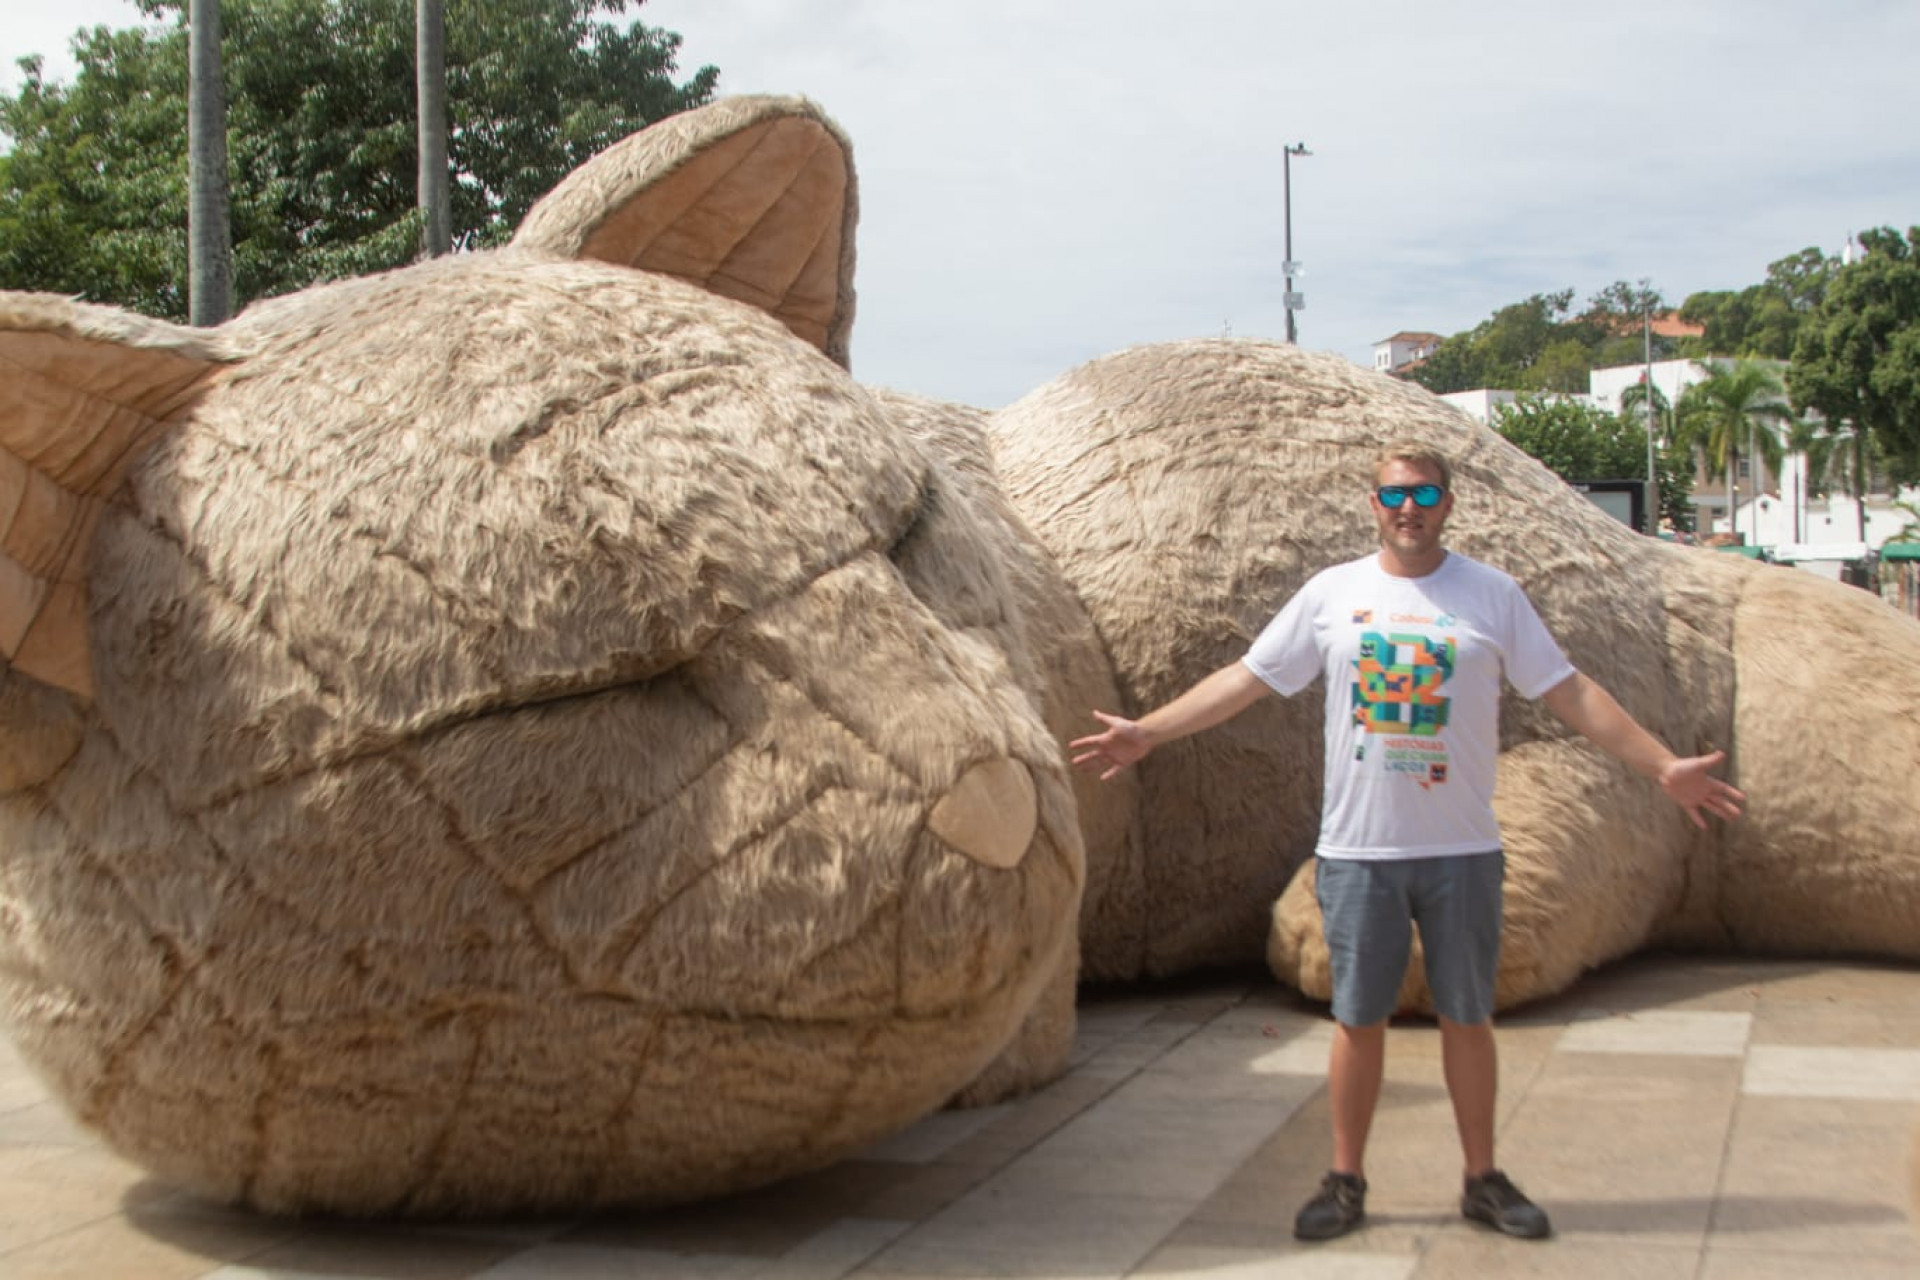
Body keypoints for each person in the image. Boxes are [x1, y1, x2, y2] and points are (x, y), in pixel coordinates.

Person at [1070, 441, 1744, 1243]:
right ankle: (1344, 1179)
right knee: (1359, 1021)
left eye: (1424, 495)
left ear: (1447, 504)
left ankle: (1482, 1179)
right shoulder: (1333, 593)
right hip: (1360, 853)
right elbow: (1248, 677)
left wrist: (1664, 766)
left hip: (1462, 852)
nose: (1409, 509)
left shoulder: (1491, 595)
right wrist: (1149, 731)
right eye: (1395, 495)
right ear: (1374, 505)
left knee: (1468, 1017)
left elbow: (1569, 690)